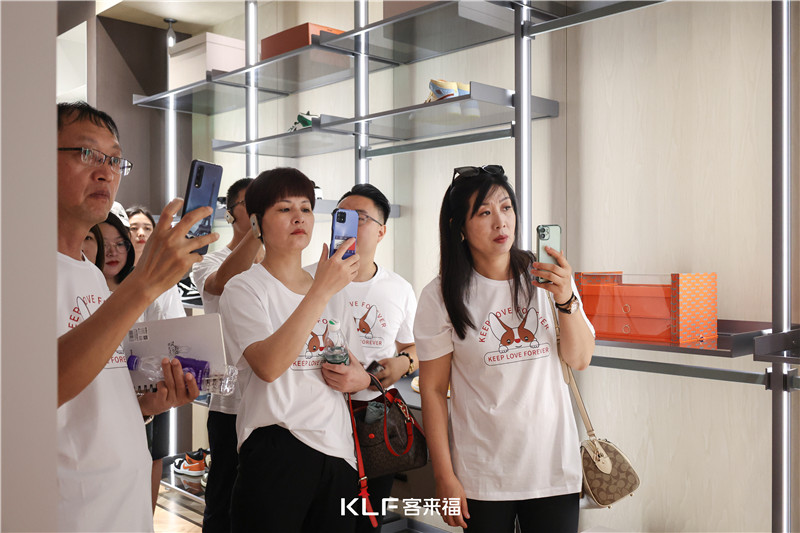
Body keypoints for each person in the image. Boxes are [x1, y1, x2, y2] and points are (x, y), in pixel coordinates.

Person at [56, 101, 217, 531]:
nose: (106, 171)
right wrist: (143, 284)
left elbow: (89, 388)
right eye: (87, 153)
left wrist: (144, 405)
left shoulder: (89, 274)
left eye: (114, 159)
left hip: (122, 504)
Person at [413, 165, 595, 532]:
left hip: (552, 468)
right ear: (458, 227)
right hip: (482, 474)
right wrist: (444, 476)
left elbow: (580, 359)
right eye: (484, 212)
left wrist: (565, 299)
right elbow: (432, 390)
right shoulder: (440, 296)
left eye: (506, 207)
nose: (501, 222)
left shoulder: (547, 278)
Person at [218, 167, 371, 532]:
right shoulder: (244, 289)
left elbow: (352, 366)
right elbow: (269, 366)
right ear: (257, 223)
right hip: (276, 445)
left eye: (306, 208)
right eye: (285, 209)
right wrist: (321, 290)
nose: (299, 217)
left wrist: (360, 378)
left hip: (337, 450)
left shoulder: (332, 286)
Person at [306, 183, 418, 532]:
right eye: (342, 216)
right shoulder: (307, 278)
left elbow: (415, 347)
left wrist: (403, 363)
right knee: (321, 521)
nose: (349, 224)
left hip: (373, 420)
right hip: (315, 417)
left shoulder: (398, 288)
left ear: (382, 231)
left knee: (367, 519)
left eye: (361, 218)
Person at [99, 202, 186, 511]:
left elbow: (172, 331)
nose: (112, 251)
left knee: (147, 458)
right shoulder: (81, 288)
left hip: (147, 390)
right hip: (99, 406)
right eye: (102, 243)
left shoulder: (146, 286)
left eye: (119, 243)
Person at [192, 177, 263, 533]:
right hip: (229, 402)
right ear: (231, 213)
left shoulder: (280, 265)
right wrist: (260, 229)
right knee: (222, 496)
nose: (261, 209)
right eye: (253, 204)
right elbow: (221, 282)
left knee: (264, 502)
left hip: (272, 401)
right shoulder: (209, 262)